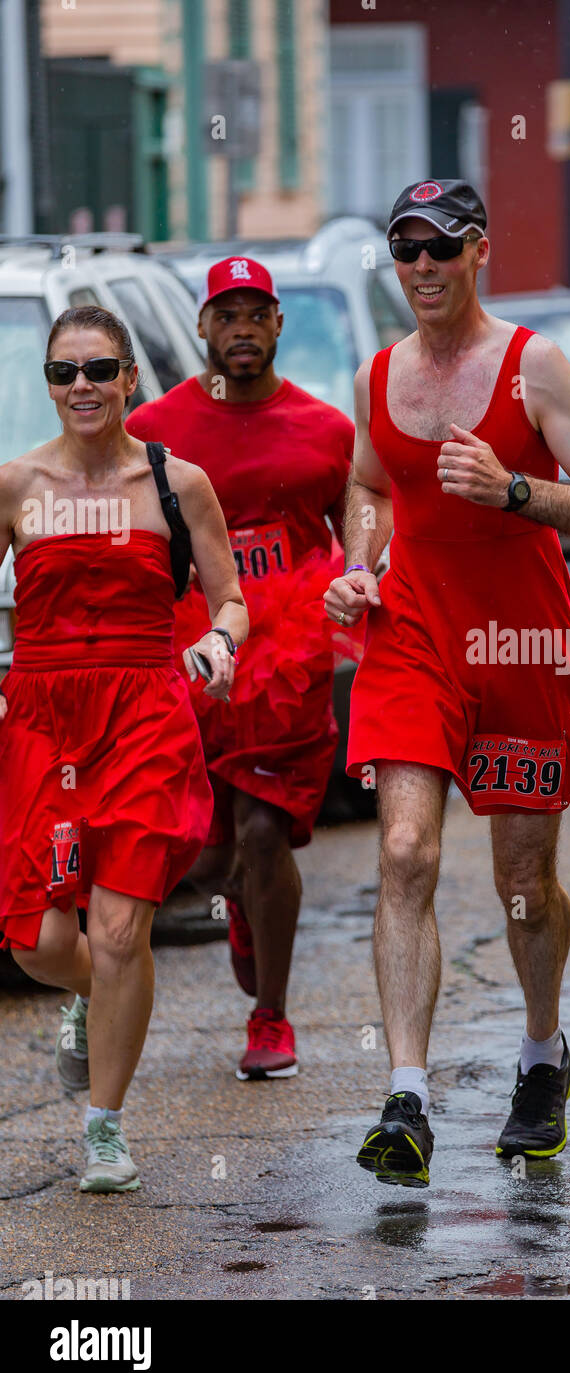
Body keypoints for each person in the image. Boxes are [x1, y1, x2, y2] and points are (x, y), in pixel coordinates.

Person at [323, 179, 570, 1187]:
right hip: (414, 636)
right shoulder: (379, 375)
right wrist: (363, 564)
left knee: (519, 885)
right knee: (407, 850)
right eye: (404, 249)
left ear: (478, 252)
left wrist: (512, 490)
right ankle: (406, 1096)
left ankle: (541, 1055)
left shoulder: (531, 365)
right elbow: (370, 486)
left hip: (518, 644)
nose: (420, 266)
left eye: (439, 248)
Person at [0, 306, 247, 1191]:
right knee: (33, 937)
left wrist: (220, 642)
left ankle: (104, 1128)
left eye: (99, 370)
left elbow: (230, 598)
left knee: (116, 929)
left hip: (144, 712)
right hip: (38, 714)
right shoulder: (15, 482)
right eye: (64, 374)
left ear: (131, 378)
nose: (82, 388)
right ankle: (92, 997)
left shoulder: (179, 484)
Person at [126, 257, 357, 1081]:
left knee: (266, 832)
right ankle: (242, 911)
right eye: (227, 315)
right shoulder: (153, 427)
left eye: (256, 314)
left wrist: (363, 578)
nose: (242, 329)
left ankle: (272, 1016)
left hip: (290, 659)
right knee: (207, 847)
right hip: (193, 652)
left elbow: (357, 523)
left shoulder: (326, 428)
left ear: (279, 325)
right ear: (202, 328)